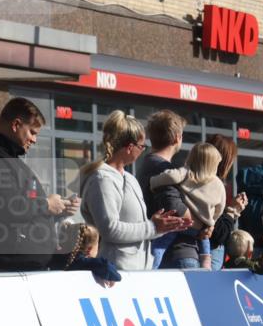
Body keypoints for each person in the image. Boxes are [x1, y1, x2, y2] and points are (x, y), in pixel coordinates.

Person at [0, 97, 80, 272]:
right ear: (16, 125)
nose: (34, 140)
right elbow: (8, 207)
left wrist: (59, 209)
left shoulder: (8, 160)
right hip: (9, 270)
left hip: (21, 267)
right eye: (32, 132)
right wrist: (46, 204)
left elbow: (25, 211)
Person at [79, 111, 189, 270]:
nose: (144, 150)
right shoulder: (102, 179)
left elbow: (140, 228)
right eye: (142, 146)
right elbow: (110, 229)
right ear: (130, 147)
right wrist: (152, 227)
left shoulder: (129, 178)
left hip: (137, 271)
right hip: (114, 272)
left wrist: (163, 226)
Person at [150, 143, 227, 269]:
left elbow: (169, 176)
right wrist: (211, 222)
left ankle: (151, 267)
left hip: (180, 223)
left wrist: (153, 182)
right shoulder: (218, 184)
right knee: (205, 246)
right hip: (202, 228)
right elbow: (220, 207)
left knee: (160, 244)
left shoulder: (186, 173)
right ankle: (206, 263)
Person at [136, 109, 185, 216]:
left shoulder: (147, 162)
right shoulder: (164, 169)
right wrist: (201, 224)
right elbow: (175, 210)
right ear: (177, 138)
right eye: (182, 135)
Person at [205, 134, 238, 269]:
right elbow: (219, 233)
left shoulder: (200, 180)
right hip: (211, 252)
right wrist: (232, 211)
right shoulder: (213, 184)